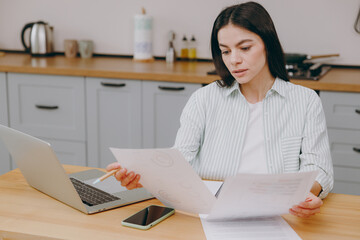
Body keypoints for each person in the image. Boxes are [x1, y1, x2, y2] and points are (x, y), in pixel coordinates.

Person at [107, 1, 334, 218]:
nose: (234, 60)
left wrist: (307, 195)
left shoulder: (305, 101)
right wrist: (144, 178)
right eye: (225, 51)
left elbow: (319, 169)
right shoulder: (204, 100)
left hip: (282, 215)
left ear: (268, 44)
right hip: (211, 214)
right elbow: (180, 162)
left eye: (244, 48)